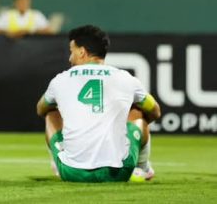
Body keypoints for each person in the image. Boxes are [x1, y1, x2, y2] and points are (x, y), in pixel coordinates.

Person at [36, 25, 161, 183]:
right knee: (138, 111)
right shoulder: (126, 78)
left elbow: (41, 108)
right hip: (119, 173)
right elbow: (156, 111)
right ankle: (142, 168)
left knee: (51, 113)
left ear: (82, 52)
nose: (70, 58)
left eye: (71, 51)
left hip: (72, 172)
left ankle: (58, 162)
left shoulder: (60, 80)